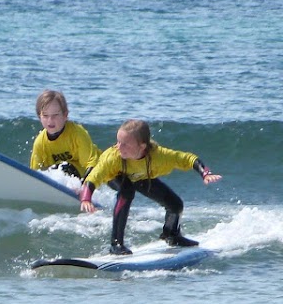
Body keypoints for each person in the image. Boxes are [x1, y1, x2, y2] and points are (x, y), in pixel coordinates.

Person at [80, 119, 222, 255]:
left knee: (175, 204)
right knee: (127, 190)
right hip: (115, 175)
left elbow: (187, 159)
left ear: (142, 146)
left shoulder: (158, 155)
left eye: (125, 144)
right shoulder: (113, 157)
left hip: (139, 176)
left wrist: (205, 173)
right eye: (118, 142)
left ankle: (171, 235)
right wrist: (86, 198)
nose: (119, 147)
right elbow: (95, 176)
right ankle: (116, 244)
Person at [30, 90, 101, 182]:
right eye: (45, 115)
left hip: (97, 172)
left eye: (55, 115)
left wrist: (86, 188)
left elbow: (92, 164)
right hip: (62, 179)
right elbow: (34, 173)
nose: (50, 120)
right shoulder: (40, 143)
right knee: (54, 171)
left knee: (64, 168)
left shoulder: (77, 133)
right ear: (39, 117)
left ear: (65, 115)